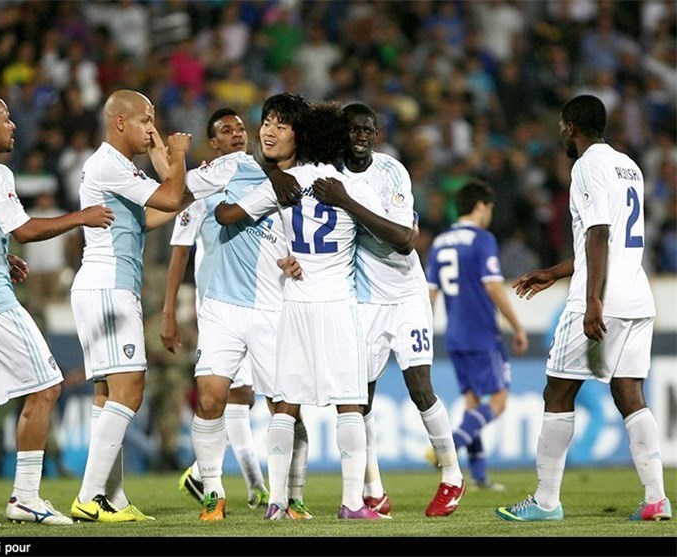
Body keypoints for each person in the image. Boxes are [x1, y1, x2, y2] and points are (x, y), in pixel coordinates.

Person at [216, 100, 411, 520]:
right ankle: (352, 502)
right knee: (350, 406)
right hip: (338, 305)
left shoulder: (286, 184)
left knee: (285, 406)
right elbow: (401, 239)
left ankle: (276, 502)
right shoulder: (349, 187)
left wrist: (272, 179)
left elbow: (225, 215)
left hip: (294, 305)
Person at [0, 94, 114, 528]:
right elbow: (27, 229)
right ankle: (27, 498)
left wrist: (1, 256)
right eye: (6, 119)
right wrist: (81, 216)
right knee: (47, 386)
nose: (13, 125)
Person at [496, 94, 671, 521]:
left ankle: (545, 501)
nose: (561, 133)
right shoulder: (629, 166)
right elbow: (608, 243)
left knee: (558, 391)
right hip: (637, 297)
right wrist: (554, 272)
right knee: (630, 394)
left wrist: (592, 299)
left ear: (571, 127)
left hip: (601, 299)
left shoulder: (586, 165)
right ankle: (656, 499)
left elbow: (598, 233)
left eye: (561, 126)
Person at [312, 102, 465, 517]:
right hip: (364, 299)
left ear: (376, 135)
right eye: (353, 129)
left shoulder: (391, 172)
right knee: (358, 399)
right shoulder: (328, 174)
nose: (361, 136)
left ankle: (452, 476)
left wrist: (346, 202)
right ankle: (373, 489)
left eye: (368, 130)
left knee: (420, 388)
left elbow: (403, 240)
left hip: (405, 294)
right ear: (342, 134)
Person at [177, 95, 310, 522]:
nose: (267, 130)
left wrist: (297, 261)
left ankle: (287, 498)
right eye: (265, 122)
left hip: (274, 306)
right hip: (222, 305)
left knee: (285, 406)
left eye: (279, 125)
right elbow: (178, 193)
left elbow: (309, 242)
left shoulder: (306, 183)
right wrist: (172, 154)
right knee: (210, 398)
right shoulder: (233, 166)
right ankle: (213, 493)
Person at [69, 89, 192, 523]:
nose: (152, 129)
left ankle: (112, 497)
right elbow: (172, 196)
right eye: (145, 120)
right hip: (109, 286)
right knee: (130, 389)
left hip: (104, 287)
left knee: (107, 395)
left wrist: (172, 175)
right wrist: (176, 155)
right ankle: (89, 497)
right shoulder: (111, 165)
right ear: (120, 122)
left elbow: (156, 213)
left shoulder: (117, 168)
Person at [161, 107, 269, 509]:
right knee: (225, 396)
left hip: (260, 303)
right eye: (226, 130)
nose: (237, 134)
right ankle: (242, 484)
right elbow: (180, 251)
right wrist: (169, 311)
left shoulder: (259, 176)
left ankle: (212, 475)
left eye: (240, 128)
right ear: (214, 142)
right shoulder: (201, 190)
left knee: (245, 397)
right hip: (218, 305)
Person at [426, 179, 529, 491]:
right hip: (482, 332)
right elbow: (493, 286)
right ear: (482, 205)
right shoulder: (482, 239)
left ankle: (479, 476)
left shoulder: (440, 242)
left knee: (472, 404)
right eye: (490, 208)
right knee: (499, 400)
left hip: (455, 334)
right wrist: (517, 325)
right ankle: (449, 446)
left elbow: (430, 294)